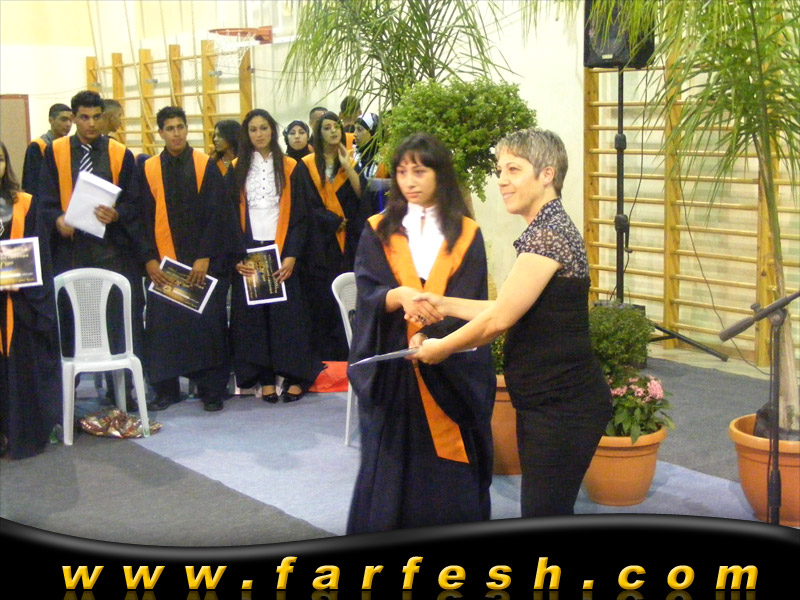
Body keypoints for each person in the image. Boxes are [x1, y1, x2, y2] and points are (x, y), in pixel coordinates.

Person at [413, 128, 612, 517]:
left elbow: (499, 320)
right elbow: (508, 306)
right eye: (500, 170)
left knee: (543, 514)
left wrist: (441, 348)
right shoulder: (545, 229)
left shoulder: (548, 235)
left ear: (547, 175)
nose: (502, 180)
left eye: (514, 169)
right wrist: (444, 303)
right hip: (550, 402)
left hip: (563, 407)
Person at [346, 133, 495, 533]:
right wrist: (397, 296)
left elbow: (470, 298)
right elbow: (368, 289)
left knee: (447, 476)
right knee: (392, 462)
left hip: (449, 368)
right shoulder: (378, 229)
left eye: (420, 171)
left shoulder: (466, 233)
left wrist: (433, 336)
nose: (409, 181)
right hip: (395, 369)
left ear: (439, 174)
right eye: (402, 172)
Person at [38, 90, 143, 407]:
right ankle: (65, 398)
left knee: (115, 322)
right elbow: (42, 199)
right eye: (84, 117)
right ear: (73, 118)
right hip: (69, 252)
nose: (91, 124)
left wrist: (117, 214)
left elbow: (135, 201)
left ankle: (122, 391)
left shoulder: (120, 153)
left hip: (109, 251)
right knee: (68, 323)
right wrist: (57, 219)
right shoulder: (54, 152)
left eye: (97, 117)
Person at [226, 109, 323, 403]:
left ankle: (295, 377)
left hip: (282, 252)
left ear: (272, 130)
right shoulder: (236, 168)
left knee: (289, 319)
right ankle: (265, 378)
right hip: (250, 252)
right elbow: (227, 216)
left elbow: (302, 217)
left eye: (264, 128)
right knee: (255, 321)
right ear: (247, 134)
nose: (259, 134)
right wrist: (238, 255)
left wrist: (292, 255)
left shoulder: (291, 167)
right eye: (253, 129)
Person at [139, 106, 232, 412]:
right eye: (169, 128)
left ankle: (211, 390)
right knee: (163, 328)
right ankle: (166, 390)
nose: (176, 133)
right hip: (164, 266)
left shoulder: (205, 165)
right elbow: (140, 219)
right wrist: (149, 259)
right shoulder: (148, 169)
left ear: (186, 129)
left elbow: (218, 215)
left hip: (200, 264)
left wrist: (204, 256)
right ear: (160, 133)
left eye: (180, 127)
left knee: (208, 327)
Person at [0, 141, 62, 459]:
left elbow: (39, 255)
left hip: (20, 303)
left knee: (20, 367)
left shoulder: (24, 203)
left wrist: (19, 281)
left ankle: (22, 433)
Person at [296, 111, 368, 361]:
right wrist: (331, 221)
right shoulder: (306, 165)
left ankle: (347, 353)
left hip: (347, 241)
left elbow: (363, 196)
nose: (333, 131)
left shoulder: (349, 160)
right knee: (321, 298)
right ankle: (323, 356)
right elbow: (304, 205)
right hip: (320, 243)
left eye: (336, 126)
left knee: (346, 297)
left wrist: (347, 167)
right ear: (319, 133)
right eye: (326, 128)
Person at [21, 103, 73, 196]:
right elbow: (31, 183)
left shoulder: (69, 146)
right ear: (51, 120)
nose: (68, 124)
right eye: (64, 119)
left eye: (71, 120)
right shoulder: (38, 145)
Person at [353, 112, 388, 215]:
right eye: (355, 129)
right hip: (356, 211)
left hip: (379, 211)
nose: (354, 133)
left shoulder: (386, 157)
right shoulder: (350, 155)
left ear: (373, 133)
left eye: (359, 129)